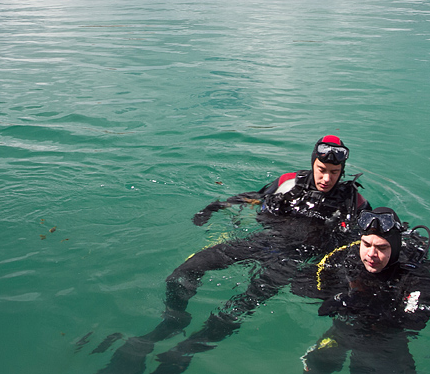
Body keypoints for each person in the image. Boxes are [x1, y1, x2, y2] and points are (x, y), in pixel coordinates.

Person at [101, 136, 371, 374]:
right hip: (263, 241)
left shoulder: (353, 201)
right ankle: (172, 320)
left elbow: (372, 238)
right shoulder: (290, 182)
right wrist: (214, 207)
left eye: (334, 172)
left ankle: (188, 348)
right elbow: (255, 196)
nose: (326, 178)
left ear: (342, 171)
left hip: (292, 260)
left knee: (240, 306)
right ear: (313, 163)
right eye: (322, 170)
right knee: (184, 272)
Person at [292, 207, 430, 374]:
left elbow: (415, 320)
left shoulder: (414, 274)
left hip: (384, 343)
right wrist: (336, 297)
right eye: (366, 244)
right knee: (315, 367)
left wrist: (368, 304)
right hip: (344, 328)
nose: (371, 254)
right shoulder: (348, 255)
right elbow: (300, 284)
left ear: (395, 248)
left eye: (382, 248)